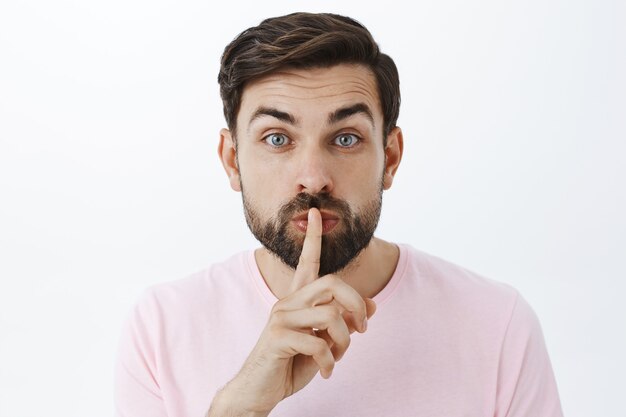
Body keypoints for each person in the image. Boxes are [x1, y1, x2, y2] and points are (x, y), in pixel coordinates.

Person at [114, 12, 564, 417]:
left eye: (345, 138)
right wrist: (239, 408)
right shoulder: (162, 326)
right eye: (276, 138)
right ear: (232, 161)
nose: (313, 179)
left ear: (389, 158)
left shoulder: (497, 324)